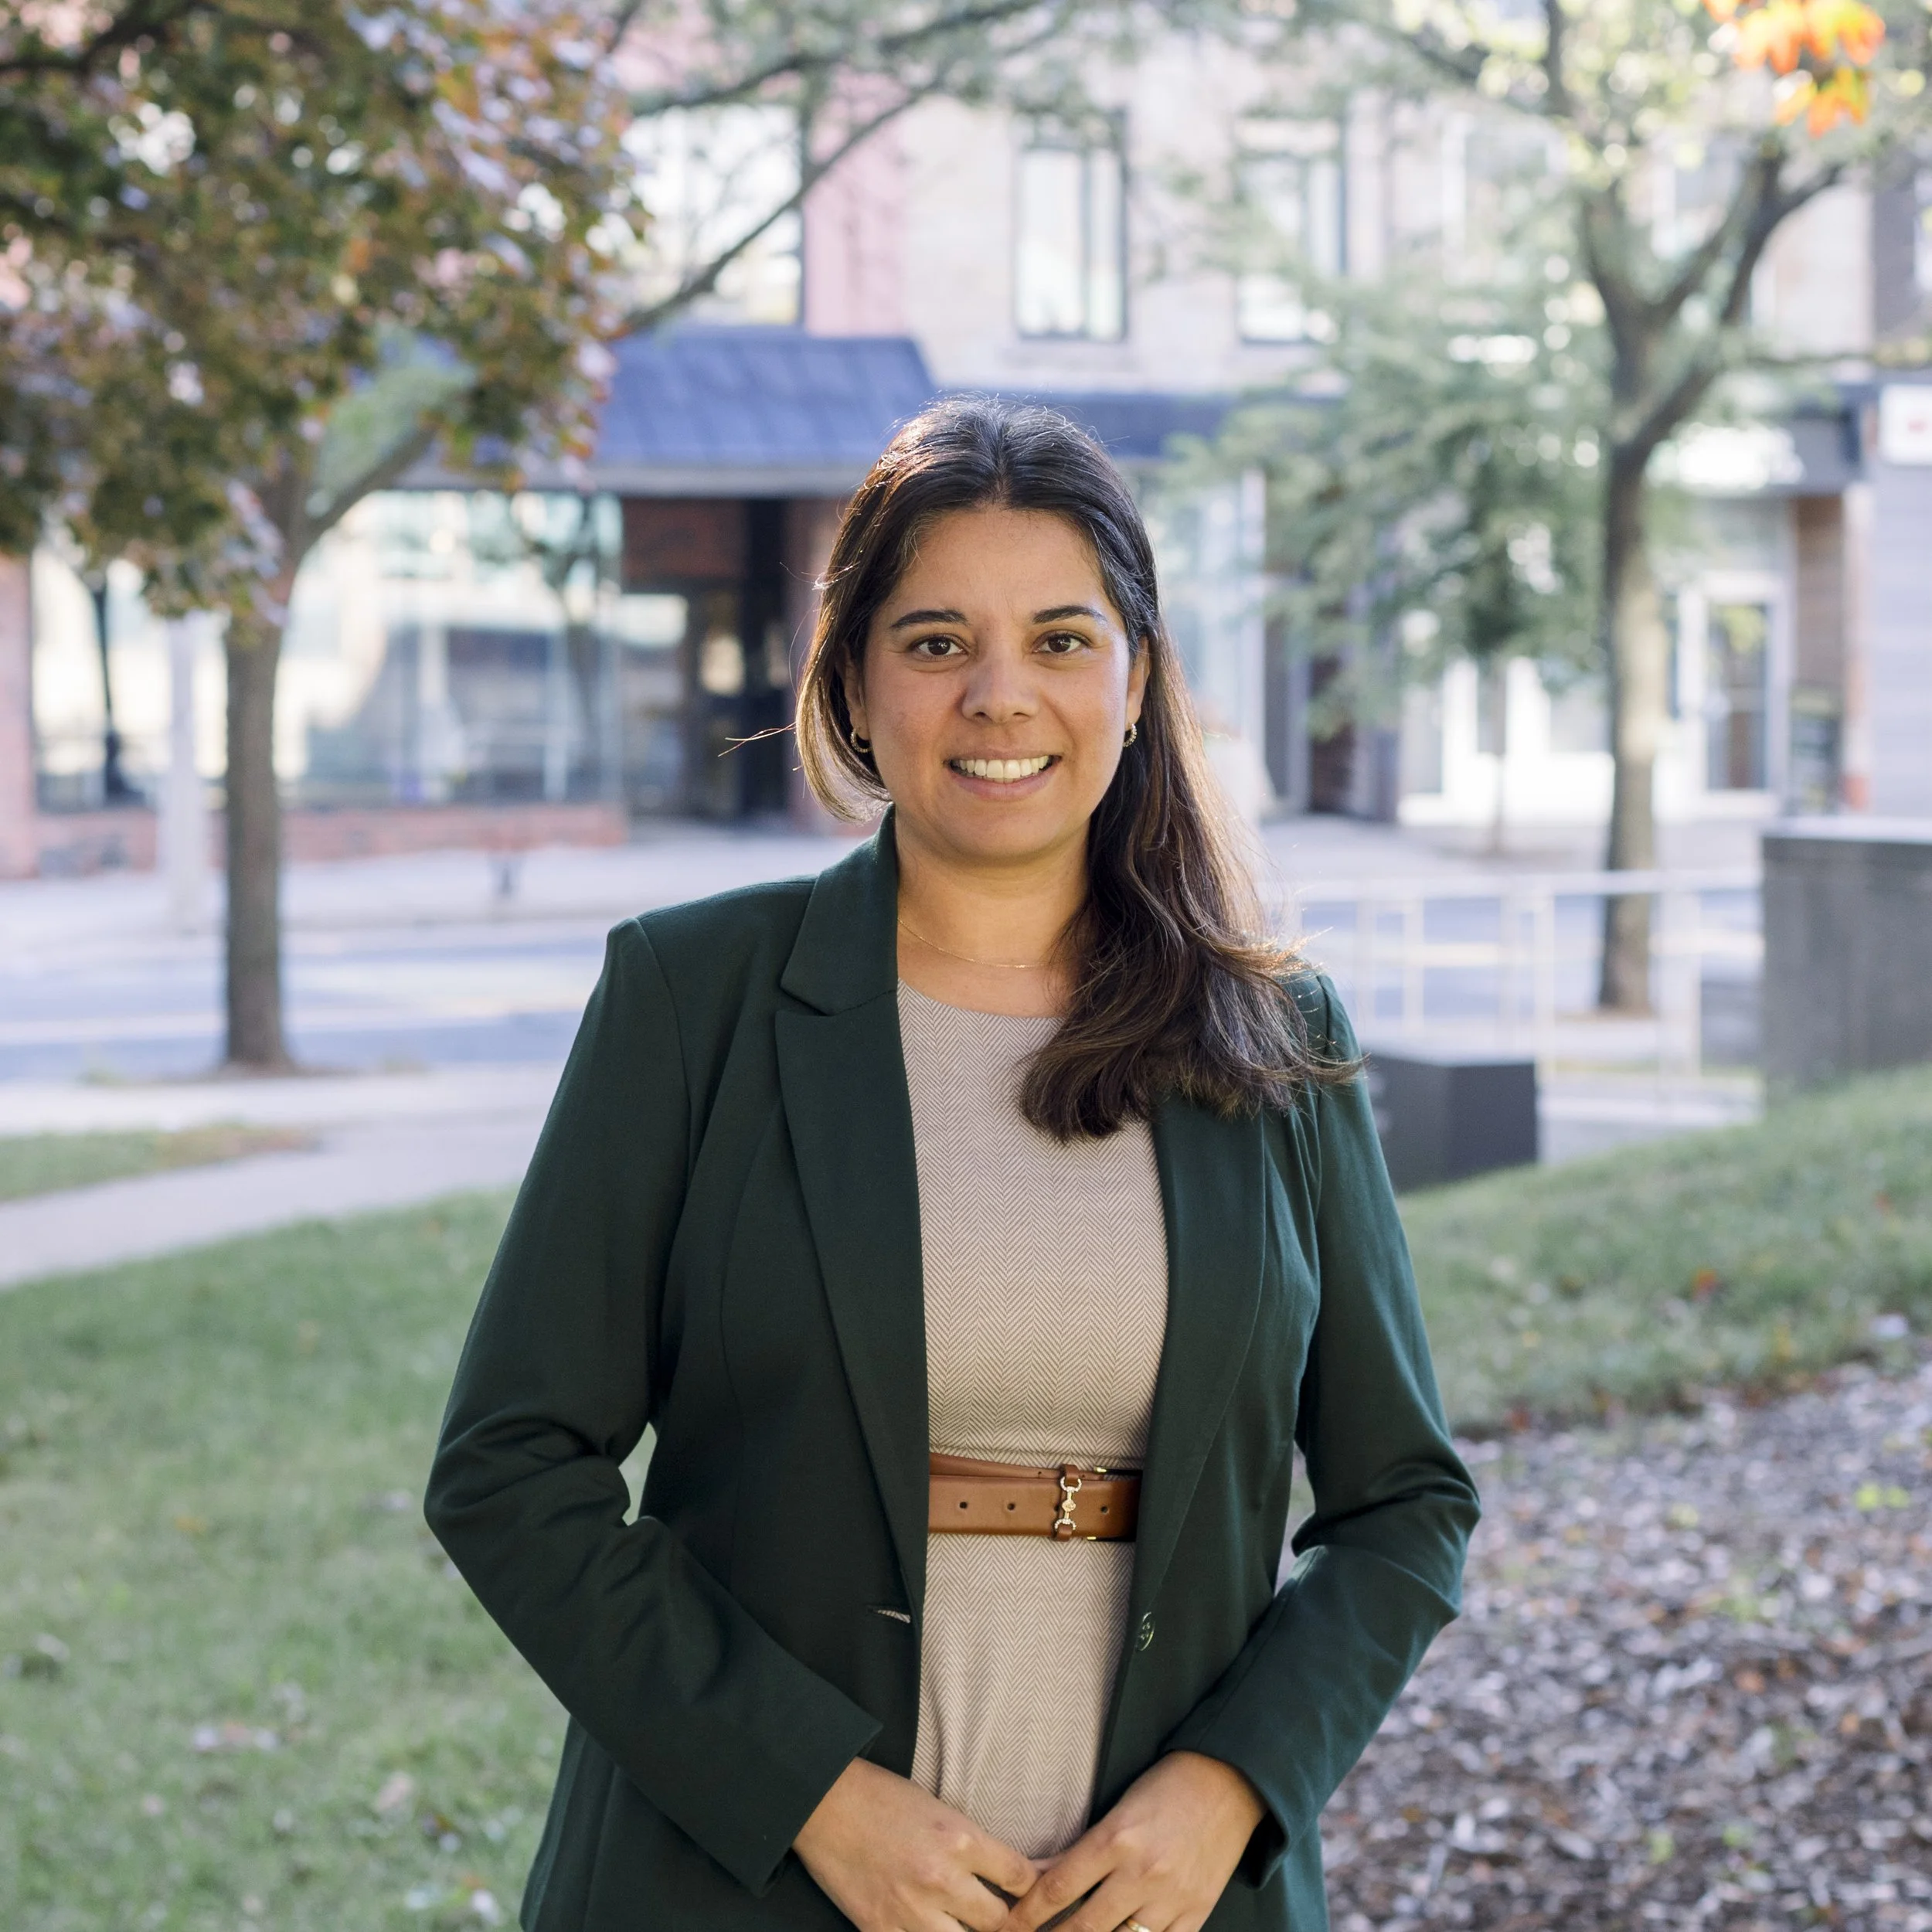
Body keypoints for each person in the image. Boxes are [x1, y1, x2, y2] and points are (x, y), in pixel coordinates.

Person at [425, 398, 1480, 1932]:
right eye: (934, 641)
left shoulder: (1273, 1037)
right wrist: (811, 1795)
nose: (1000, 695)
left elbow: (1403, 1501)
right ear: (855, 680)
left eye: (1060, 638)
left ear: (1133, 680)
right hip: (739, 1882)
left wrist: (1234, 1786)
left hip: (1162, 1899)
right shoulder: (691, 997)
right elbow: (508, 1466)